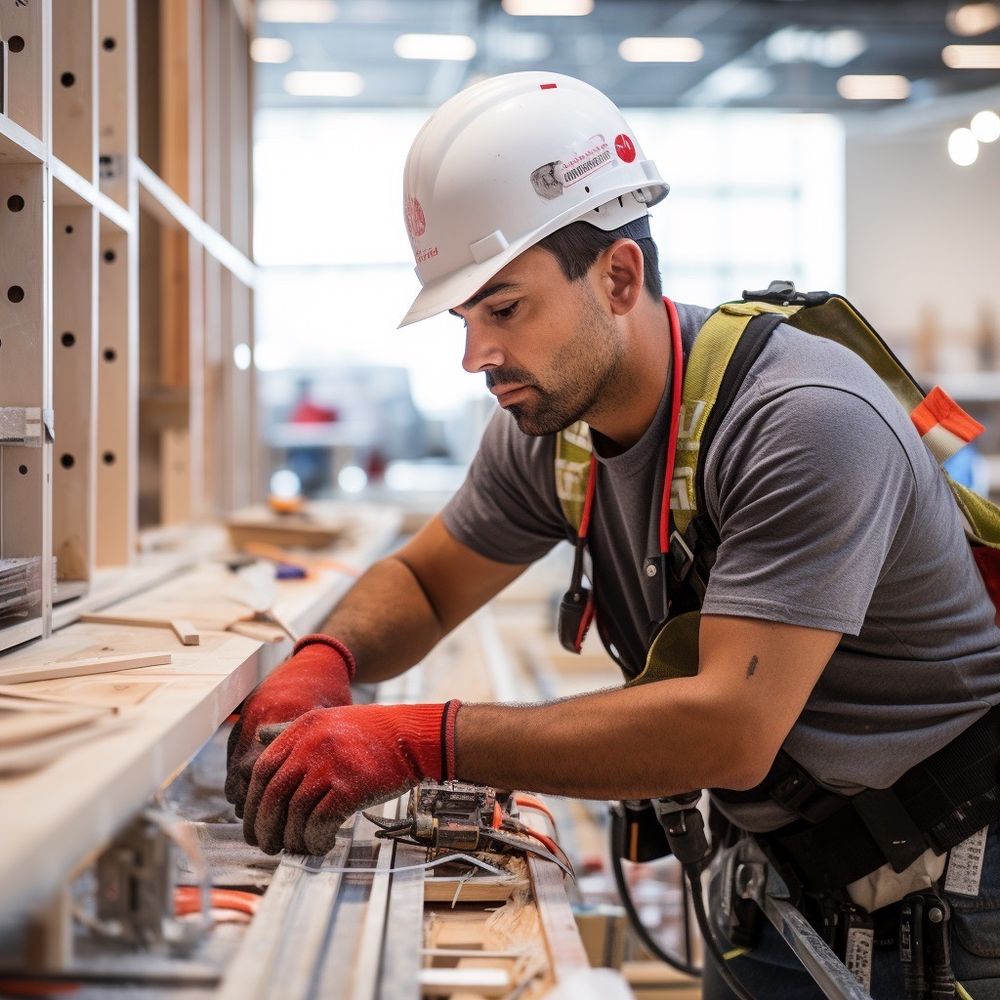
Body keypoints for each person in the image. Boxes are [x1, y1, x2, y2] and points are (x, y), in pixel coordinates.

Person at [226, 73, 1000, 998]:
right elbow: (431, 586)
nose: (476, 356)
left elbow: (729, 727)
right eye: (464, 319)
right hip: (782, 872)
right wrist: (327, 654)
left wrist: (419, 741)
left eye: (503, 309)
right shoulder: (554, 429)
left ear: (619, 277)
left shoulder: (801, 420)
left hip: (951, 888)